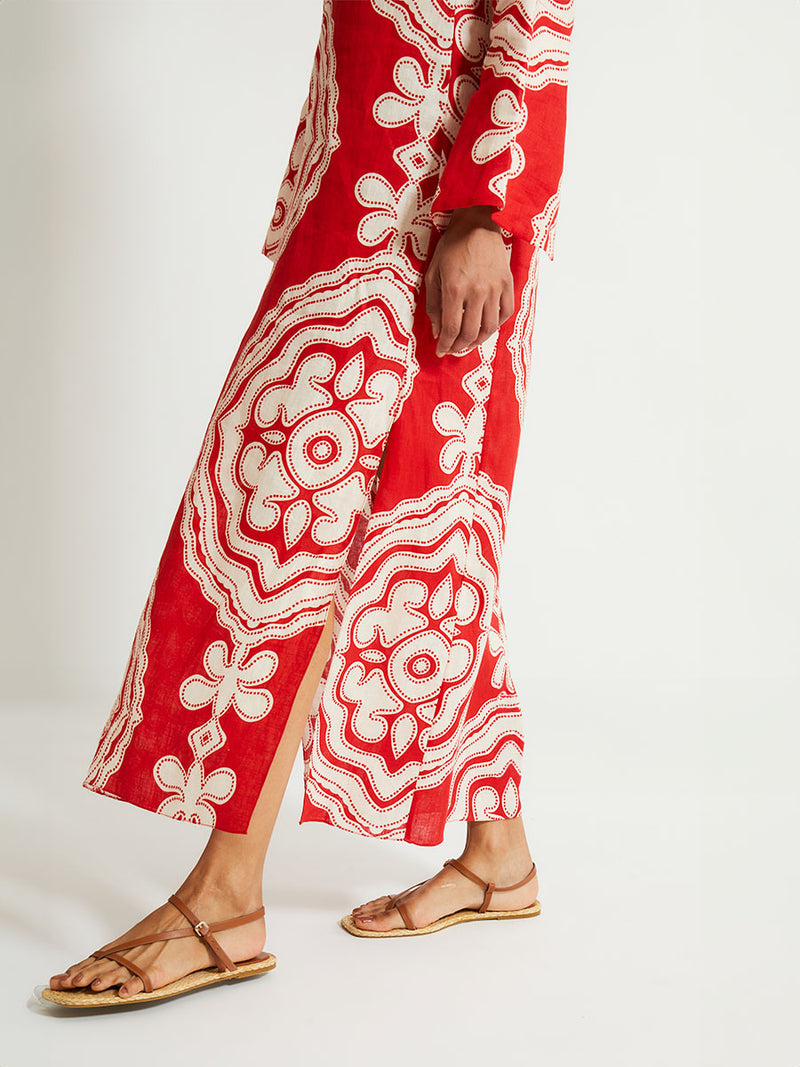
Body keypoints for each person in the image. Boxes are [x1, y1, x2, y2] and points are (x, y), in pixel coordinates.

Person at [43, 0, 574, 1007]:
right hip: (371, 184)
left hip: (431, 213)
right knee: (425, 516)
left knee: (300, 513)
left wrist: (483, 211)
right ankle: (498, 855)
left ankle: (223, 896)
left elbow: (535, 19)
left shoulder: (462, 212)